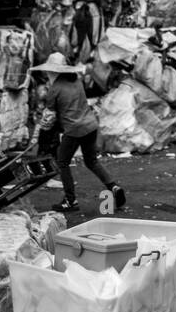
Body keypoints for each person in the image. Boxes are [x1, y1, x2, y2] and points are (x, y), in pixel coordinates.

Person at [32, 51, 126, 214]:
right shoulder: (76, 80)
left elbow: (49, 118)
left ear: (53, 71)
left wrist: (39, 136)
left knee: (62, 162)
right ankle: (113, 186)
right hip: (90, 126)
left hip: (74, 129)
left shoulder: (54, 89)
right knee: (92, 161)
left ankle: (70, 200)